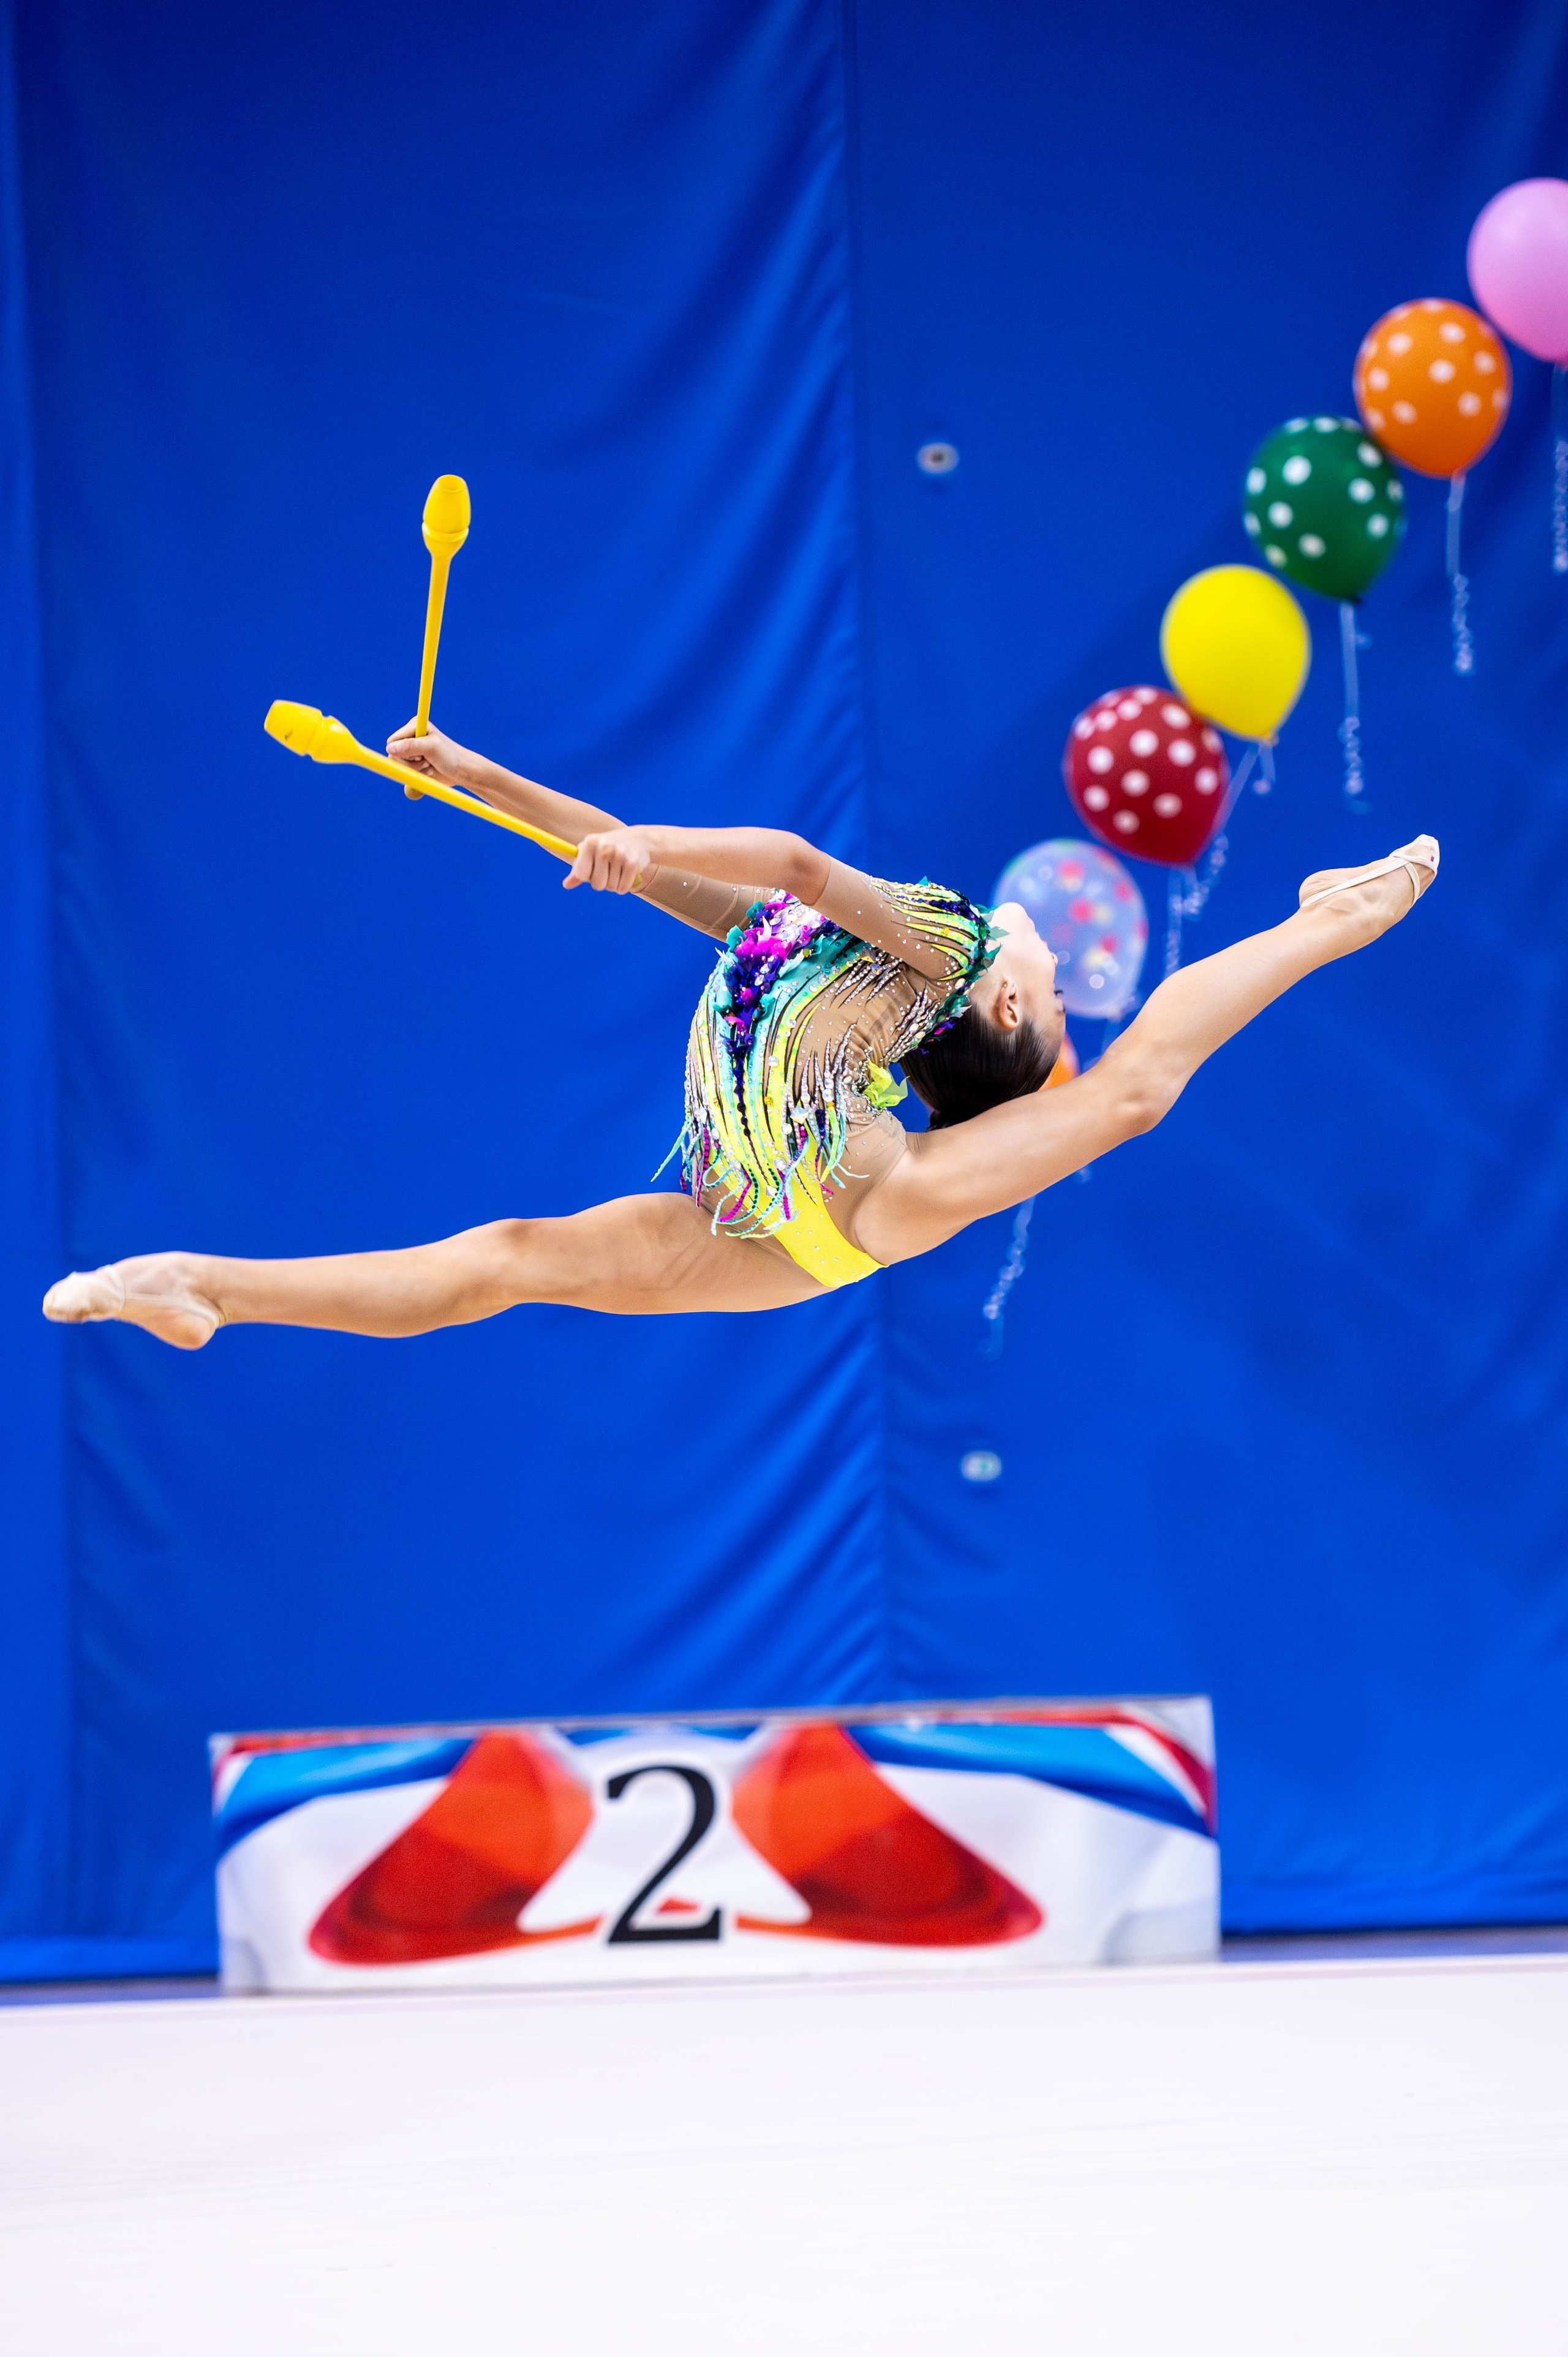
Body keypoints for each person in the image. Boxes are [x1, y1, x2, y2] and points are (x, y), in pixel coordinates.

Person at [41, 722, 1438, 1346]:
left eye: (1051, 982)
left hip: (862, 1206)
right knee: (504, 1262)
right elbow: (690, 883)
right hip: (765, 1229)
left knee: (1133, 1094)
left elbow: (787, 859)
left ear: (998, 1005)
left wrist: (642, 843)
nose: (1049, 956)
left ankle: (1333, 917)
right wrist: (476, 776)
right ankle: (196, 1283)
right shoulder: (832, 993)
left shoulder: (939, 944)